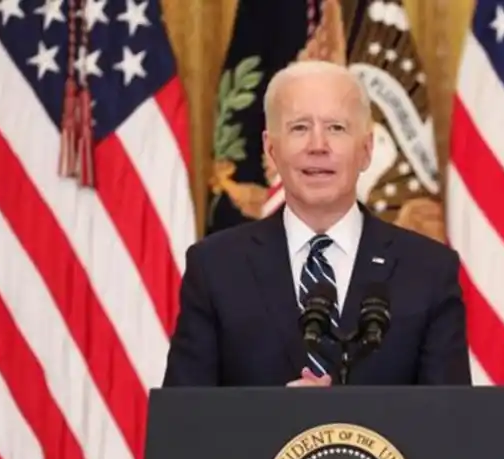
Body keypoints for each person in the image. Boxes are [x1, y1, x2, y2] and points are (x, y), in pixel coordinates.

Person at [162, 60, 471, 388]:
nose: (318, 146)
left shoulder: (428, 270)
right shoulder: (216, 268)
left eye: (336, 128)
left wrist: (337, 419)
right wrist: (277, 420)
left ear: (366, 150)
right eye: (299, 128)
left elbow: (449, 425)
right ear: (271, 149)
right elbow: (185, 426)